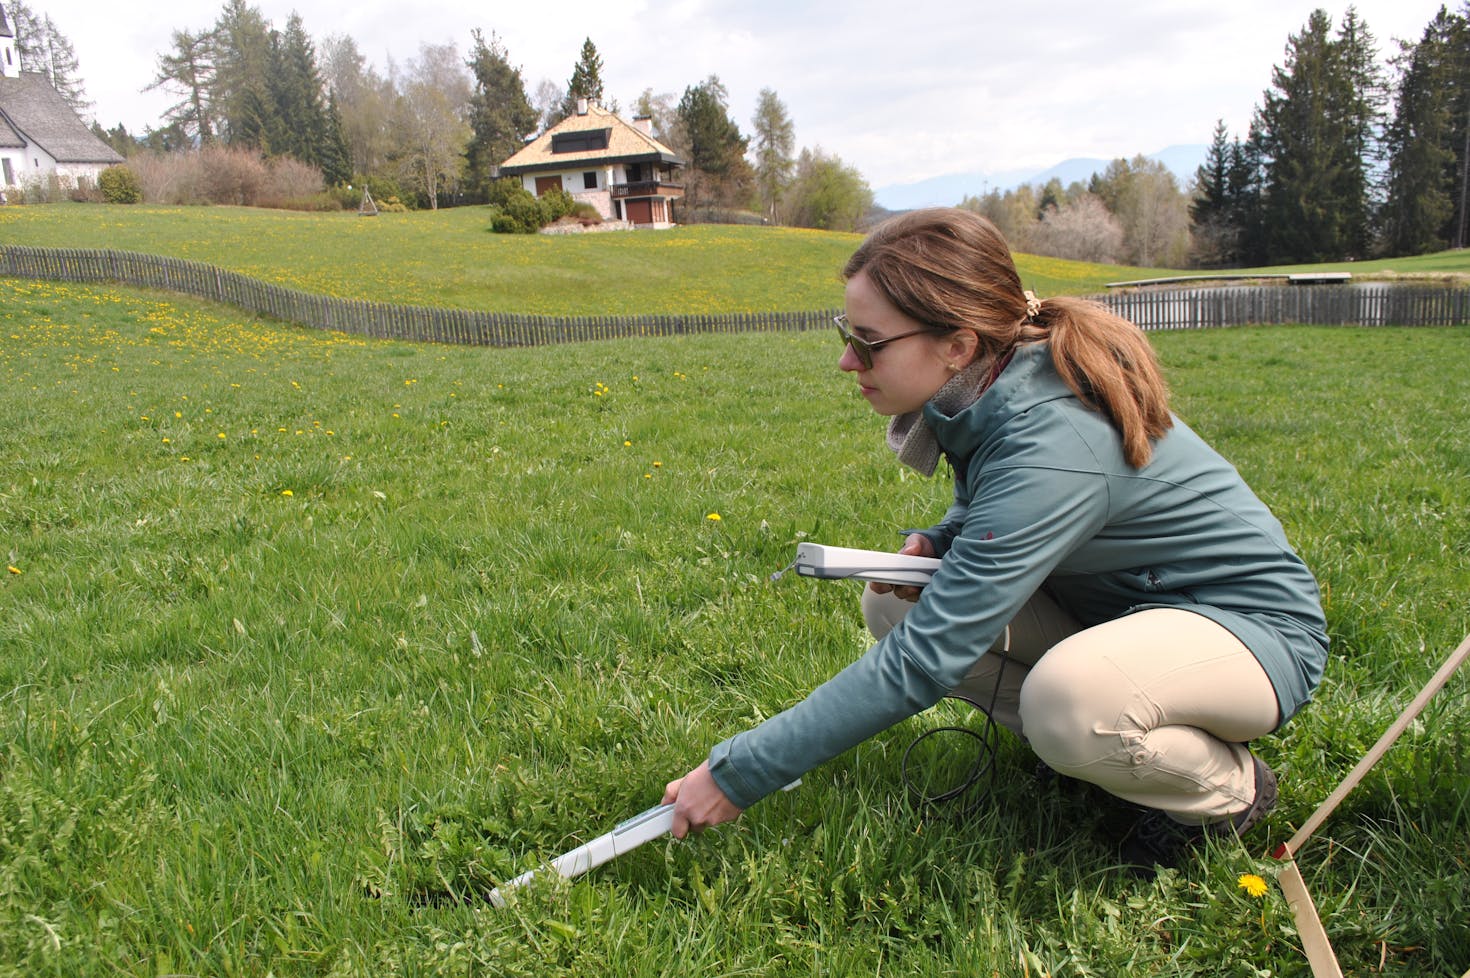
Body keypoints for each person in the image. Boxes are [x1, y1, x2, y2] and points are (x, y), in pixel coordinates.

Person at [662, 207, 1328, 870]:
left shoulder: (1052, 437)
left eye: (867, 340)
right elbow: (1001, 510)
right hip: (1128, 609)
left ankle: (1231, 792)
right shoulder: (989, 386)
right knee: (895, 603)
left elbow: (924, 663)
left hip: (1250, 633)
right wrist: (944, 538)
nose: (846, 360)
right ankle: (1093, 751)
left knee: (1068, 704)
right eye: (846, 332)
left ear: (956, 344)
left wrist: (738, 772)